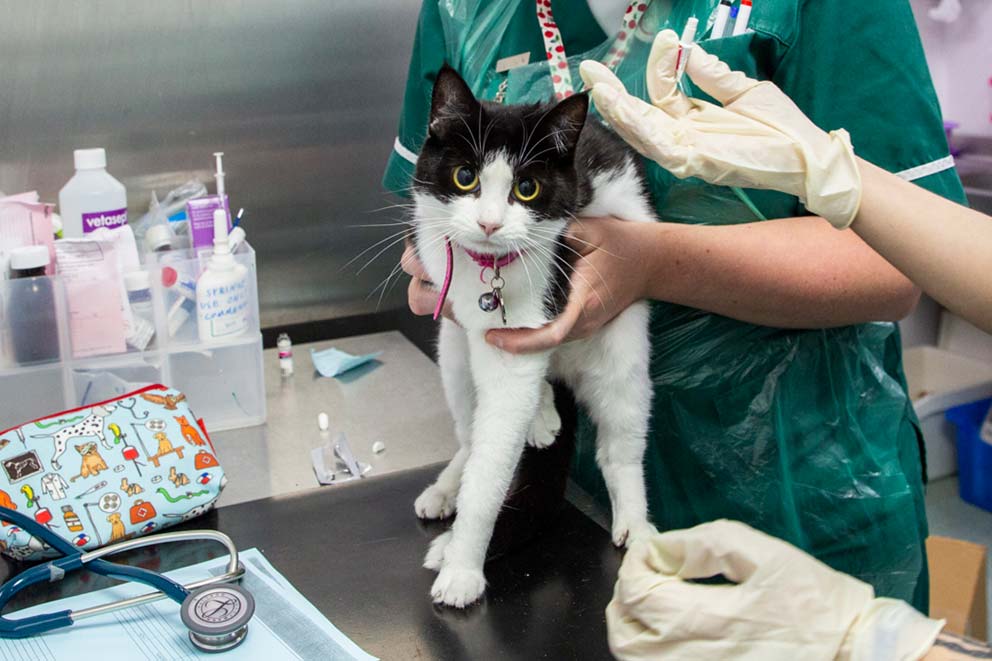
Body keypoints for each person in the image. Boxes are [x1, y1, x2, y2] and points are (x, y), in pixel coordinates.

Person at [388, 0, 966, 612]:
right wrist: (443, 274)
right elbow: (427, 202)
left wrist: (654, 262)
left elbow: (898, 266)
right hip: (571, 512)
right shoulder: (462, 10)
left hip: (797, 499)